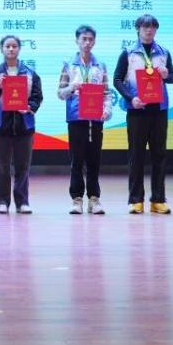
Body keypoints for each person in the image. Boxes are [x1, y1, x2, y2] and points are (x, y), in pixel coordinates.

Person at [114, 13, 173, 215]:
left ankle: (158, 200)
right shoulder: (128, 53)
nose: (149, 30)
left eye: (152, 27)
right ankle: (135, 200)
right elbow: (117, 80)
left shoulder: (164, 52)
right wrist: (131, 98)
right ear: (138, 29)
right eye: (145, 27)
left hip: (159, 110)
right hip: (137, 110)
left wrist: (167, 75)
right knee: (136, 155)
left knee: (159, 155)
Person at [0, 35, 43, 214]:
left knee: (23, 167)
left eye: (14, 46)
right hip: (1, 127)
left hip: (24, 126)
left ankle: (22, 202)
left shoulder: (30, 73)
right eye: (7, 46)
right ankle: (2, 201)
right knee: (2, 167)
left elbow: (37, 96)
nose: (11, 49)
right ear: (1, 49)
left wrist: (30, 107)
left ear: (19, 49)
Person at [58, 25, 112, 215]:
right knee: (77, 160)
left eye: (90, 39)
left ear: (94, 41)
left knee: (94, 160)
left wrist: (107, 110)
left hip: (96, 119)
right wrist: (72, 87)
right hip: (76, 118)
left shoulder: (101, 66)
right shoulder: (68, 65)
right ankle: (77, 199)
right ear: (77, 41)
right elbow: (60, 93)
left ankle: (94, 199)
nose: (87, 43)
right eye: (84, 39)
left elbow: (107, 93)